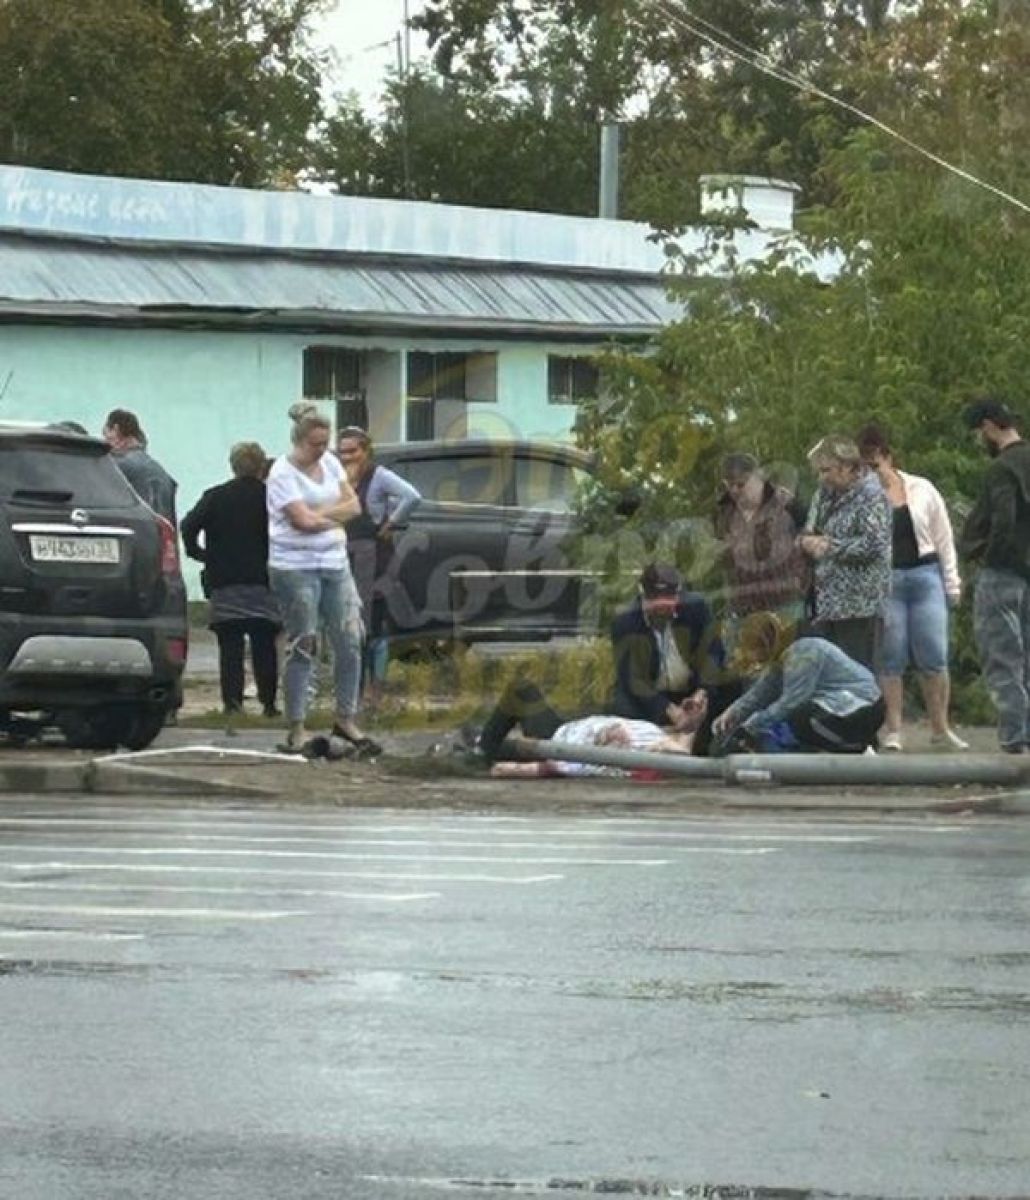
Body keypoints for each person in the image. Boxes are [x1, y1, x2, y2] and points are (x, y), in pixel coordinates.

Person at [266, 402, 380, 757]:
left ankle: (346, 717)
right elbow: (301, 522)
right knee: (305, 641)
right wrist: (330, 517)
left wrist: (321, 515)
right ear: (299, 442)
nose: (322, 450)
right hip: (295, 565)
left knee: (350, 637)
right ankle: (296, 726)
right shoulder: (282, 474)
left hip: (334, 561)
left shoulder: (330, 464)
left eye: (324, 443)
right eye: (315, 444)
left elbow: (354, 506)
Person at [854, 425, 966, 752]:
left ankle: (940, 727)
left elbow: (943, 537)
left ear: (888, 458)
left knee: (934, 652)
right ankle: (894, 729)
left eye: (875, 465)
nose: (871, 473)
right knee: (892, 655)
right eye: (865, 468)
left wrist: (952, 581)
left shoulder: (922, 488)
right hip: (888, 579)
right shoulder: (864, 497)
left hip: (925, 573)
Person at [181, 442, 281, 720]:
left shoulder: (215, 497)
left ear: (232, 466)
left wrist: (199, 554)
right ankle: (269, 704)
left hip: (224, 582)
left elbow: (188, 525)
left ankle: (232, 704)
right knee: (264, 645)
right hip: (264, 582)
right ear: (262, 466)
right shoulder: (272, 498)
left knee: (230, 646)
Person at [959, 397, 1030, 754]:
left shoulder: (1001, 469)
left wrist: (985, 555)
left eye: (977, 434)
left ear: (988, 426)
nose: (978, 442)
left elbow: (1003, 521)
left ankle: (1015, 739)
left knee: (1002, 658)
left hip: (1002, 574)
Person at [711, 611, 884, 754]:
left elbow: (792, 702)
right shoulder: (783, 659)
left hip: (862, 707)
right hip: (841, 706)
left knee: (800, 717)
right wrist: (733, 713)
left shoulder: (802, 653)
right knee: (797, 719)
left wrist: (749, 728)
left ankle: (856, 748)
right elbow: (761, 693)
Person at [609, 561, 736, 753]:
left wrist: (702, 694)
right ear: (642, 595)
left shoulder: (697, 608)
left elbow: (713, 652)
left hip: (691, 690)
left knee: (733, 686)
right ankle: (655, 743)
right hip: (652, 696)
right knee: (623, 706)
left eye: (668, 600)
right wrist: (671, 711)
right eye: (655, 601)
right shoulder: (625, 621)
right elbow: (634, 679)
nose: (662, 608)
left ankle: (715, 745)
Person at [336, 426, 421, 709]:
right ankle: (353, 692)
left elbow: (412, 496)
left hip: (374, 556)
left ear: (366, 450)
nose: (348, 456)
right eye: (343, 451)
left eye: (353, 450)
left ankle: (375, 691)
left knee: (375, 627)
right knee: (350, 627)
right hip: (345, 555)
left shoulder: (380, 477)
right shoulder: (337, 478)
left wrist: (391, 523)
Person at [478, 679, 704, 778]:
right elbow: (685, 738)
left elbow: (569, 767)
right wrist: (691, 719)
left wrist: (511, 770)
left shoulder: (636, 755)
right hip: (567, 729)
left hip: (555, 742)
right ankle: (481, 746)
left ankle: (481, 751)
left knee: (522, 690)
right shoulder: (660, 732)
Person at [798, 434, 891, 672]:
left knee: (860, 679)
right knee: (832, 680)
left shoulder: (873, 496)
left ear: (848, 466)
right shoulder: (823, 495)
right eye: (818, 472)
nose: (821, 477)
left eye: (826, 470)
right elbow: (810, 530)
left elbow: (875, 545)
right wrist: (805, 542)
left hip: (860, 605)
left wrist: (830, 547)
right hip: (826, 603)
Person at [713, 452, 808, 645]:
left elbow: (812, 541)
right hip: (741, 608)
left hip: (785, 604)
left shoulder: (787, 504)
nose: (735, 490)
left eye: (741, 484)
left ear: (758, 477)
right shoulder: (722, 511)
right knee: (742, 669)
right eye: (729, 485)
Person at [102, 408, 178, 526]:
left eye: (106, 435)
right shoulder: (160, 471)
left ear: (116, 430)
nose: (106, 442)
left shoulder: (120, 467)